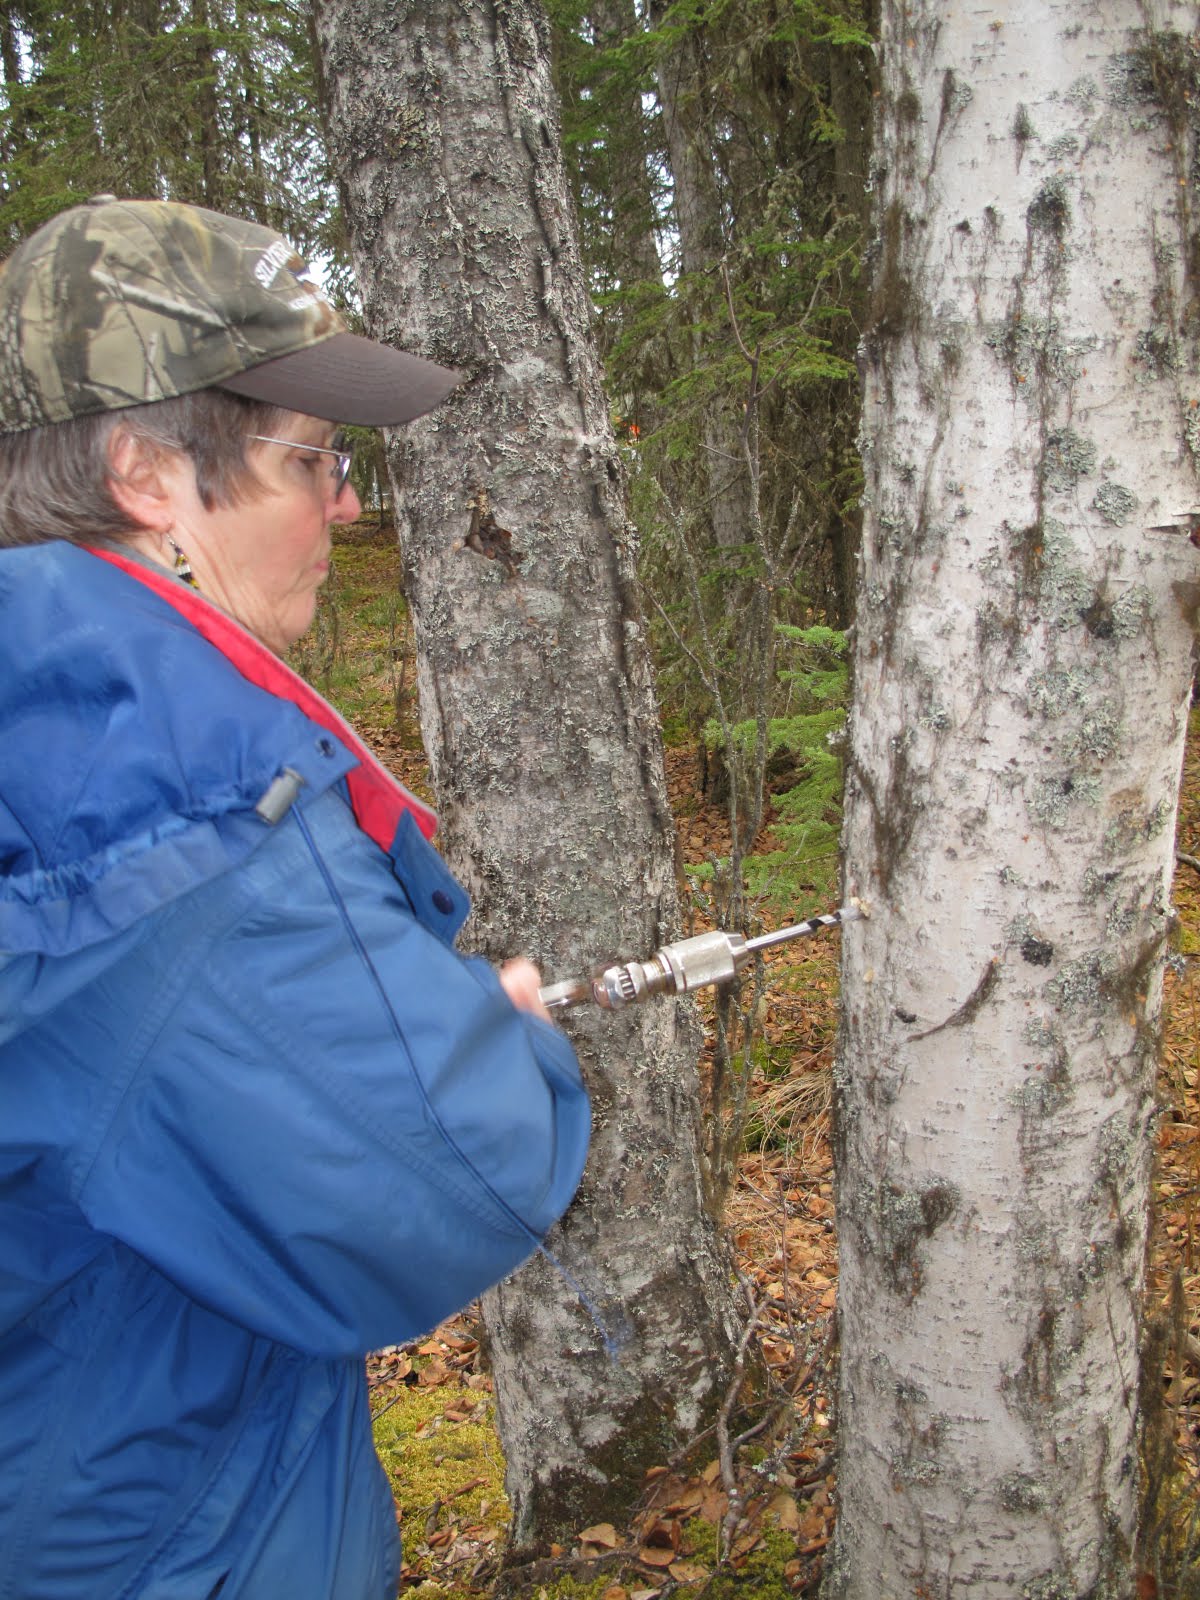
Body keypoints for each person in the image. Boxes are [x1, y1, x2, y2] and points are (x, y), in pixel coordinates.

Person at [0, 196, 591, 1600]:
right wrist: (498, 1040)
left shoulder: (45, 711)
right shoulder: (160, 777)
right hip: (155, 1529)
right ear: (150, 476)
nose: (346, 503)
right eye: (310, 459)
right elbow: (435, 1188)